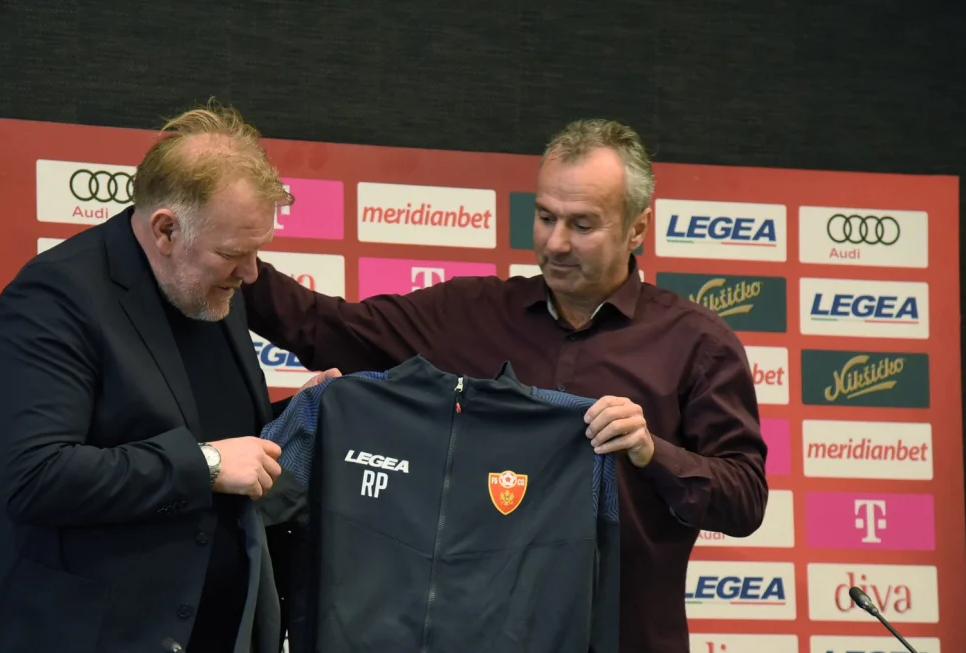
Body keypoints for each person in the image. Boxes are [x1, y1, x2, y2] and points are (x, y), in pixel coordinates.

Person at [240, 118, 768, 653]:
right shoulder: (467, 315)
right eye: (545, 217)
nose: (556, 243)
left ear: (637, 228)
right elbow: (325, 327)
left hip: (627, 636)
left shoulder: (698, 344)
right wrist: (230, 254)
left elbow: (745, 500)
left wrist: (651, 452)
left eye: (583, 225)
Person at [0, 102, 327, 653]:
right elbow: (36, 476)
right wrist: (206, 465)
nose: (251, 273)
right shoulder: (55, 295)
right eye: (234, 253)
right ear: (165, 230)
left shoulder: (211, 285)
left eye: (257, 252)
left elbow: (204, 428)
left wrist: (296, 413)